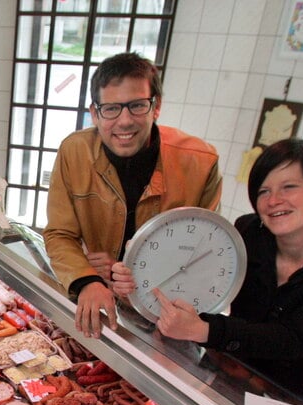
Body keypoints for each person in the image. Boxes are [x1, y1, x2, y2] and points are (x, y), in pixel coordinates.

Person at [112, 138, 303, 405]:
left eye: (289, 187)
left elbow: (294, 339)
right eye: (263, 191)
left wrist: (204, 331)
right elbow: (196, 272)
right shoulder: (247, 232)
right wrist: (140, 271)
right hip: (241, 378)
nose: (273, 201)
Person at [43, 51, 222, 339]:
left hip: (166, 309)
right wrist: (86, 278)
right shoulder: (74, 151)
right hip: (99, 298)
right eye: (111, 109)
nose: (124, 121)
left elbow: (205, 249)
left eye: (137, 105)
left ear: (156, 106)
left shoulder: (200, 162)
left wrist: (131, 272)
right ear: (94, 112)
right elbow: (59, 233)